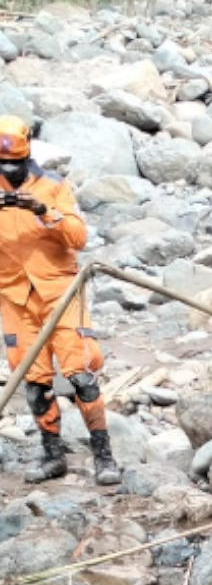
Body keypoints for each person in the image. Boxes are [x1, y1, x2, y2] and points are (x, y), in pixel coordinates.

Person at [0, 115, 121, 485]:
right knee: (33, 380)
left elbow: (78, 237)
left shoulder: (53, 187)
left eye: (16, 165)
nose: (10, 172)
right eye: (4, 165)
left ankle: (104, 456)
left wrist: (41, 211)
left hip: (61, 291)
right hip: (14, 296)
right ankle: (52, 454)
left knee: (81, 374)